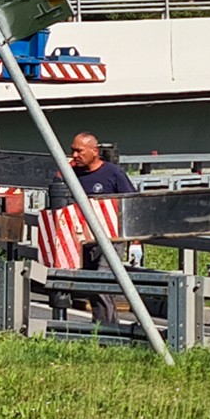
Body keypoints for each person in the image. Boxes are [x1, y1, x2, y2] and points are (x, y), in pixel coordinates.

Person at [69, 132, 137, 327]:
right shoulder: (72, 175)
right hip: (84, 238)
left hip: (111, 238)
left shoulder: (113, 173)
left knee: (101, 280)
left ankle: (108, 328)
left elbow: (131, 203)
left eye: (79, 151)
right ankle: (102, 327)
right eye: (72, 150)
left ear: (94, 151)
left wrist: (135, 240)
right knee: (92, 283)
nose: (74, 155)